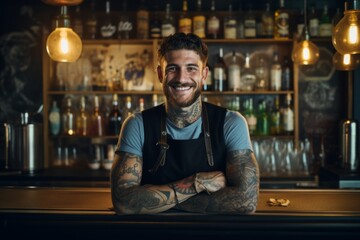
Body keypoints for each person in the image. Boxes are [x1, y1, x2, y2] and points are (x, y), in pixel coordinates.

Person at [111, 32, 259, 215]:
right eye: (172, 68)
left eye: (191, 68)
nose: (181, 78)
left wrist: (157, 203)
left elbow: (246, 201)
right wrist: (195, 183)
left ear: (204, 75)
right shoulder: (136, 125)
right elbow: (123, 202)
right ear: (160, 74)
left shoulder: (231, 123)